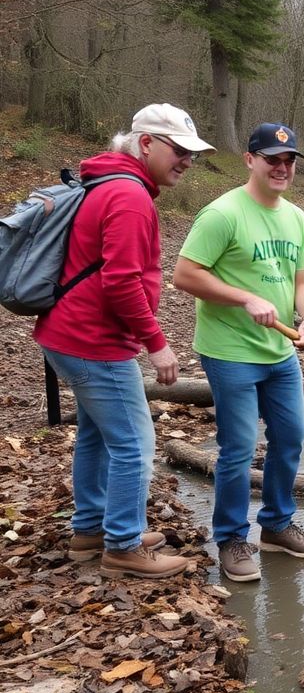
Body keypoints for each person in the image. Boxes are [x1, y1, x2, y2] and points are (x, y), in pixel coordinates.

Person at [34, 103, 210, 578]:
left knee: (96, 433)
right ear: (147, 144)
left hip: (68, 333)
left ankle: (91, 528)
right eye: (179, 150)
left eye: (192, 154)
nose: (187, 161)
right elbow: (121, 281)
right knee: (134, 442)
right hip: (93, 340)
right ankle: (123, 547)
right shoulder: (130, 196)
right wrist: (156, 342)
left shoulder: (108, 181)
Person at [173, 122, 304, 583]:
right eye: (272, 159)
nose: (281, 168)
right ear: (250, 160)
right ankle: (231, 539)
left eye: (289, 161)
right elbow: (184, 275)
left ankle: (276, 526)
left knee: (292, 436)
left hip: (280, 351)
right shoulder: (222, 214)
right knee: (238, 448)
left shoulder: (296, 218)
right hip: (230, 350)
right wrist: (243, 297)